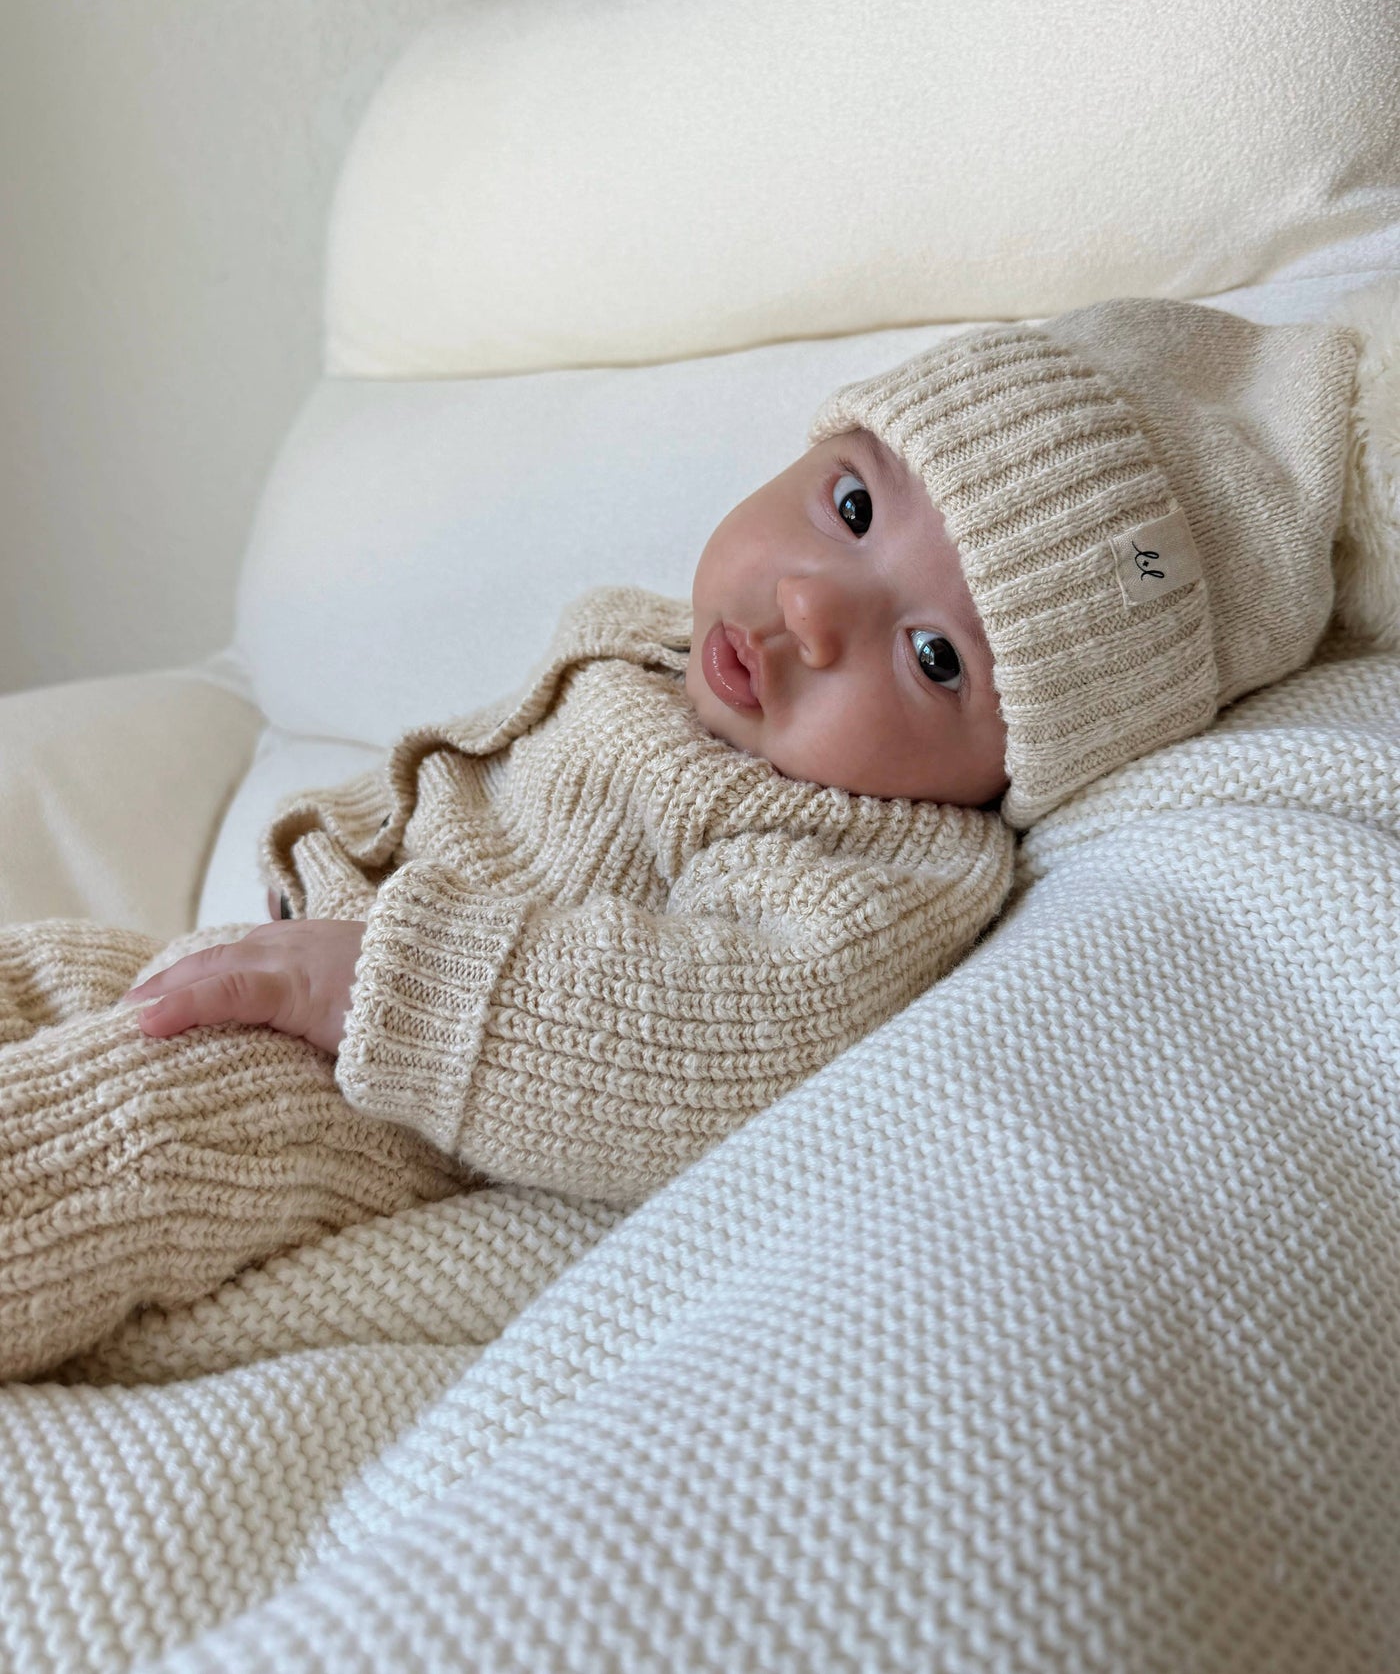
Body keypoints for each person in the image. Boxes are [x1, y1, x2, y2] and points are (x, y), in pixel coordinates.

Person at [1, 290, 1393, 1381]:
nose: (813, 607)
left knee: (136, 1130)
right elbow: (470, 778)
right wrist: (336, 861)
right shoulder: (646, 648)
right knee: (53, 972)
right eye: (853, 506)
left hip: (399, 1101)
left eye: (934, 660)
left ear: (1006, 773)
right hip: (303, 952)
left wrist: (377, 978)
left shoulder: (881, 858)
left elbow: (719, 1028)